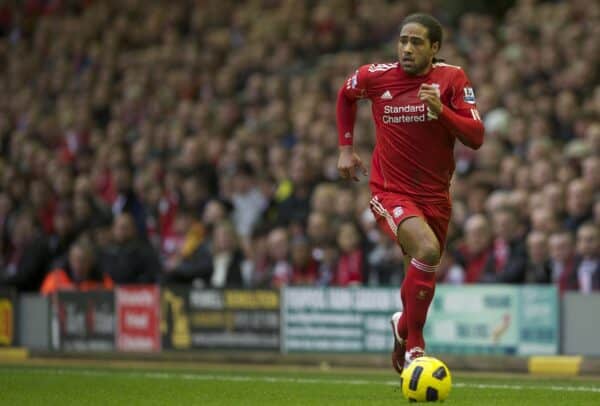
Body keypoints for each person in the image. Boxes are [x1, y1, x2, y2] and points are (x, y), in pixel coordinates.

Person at [336, 13, 484, 374]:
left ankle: (403, 329)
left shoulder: (451, 79)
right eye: (403, 40)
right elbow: (345, 95)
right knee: (428, 250)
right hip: (390, 190)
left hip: (435, 196)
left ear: (435, 48)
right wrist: (345, 148)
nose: (406, 48)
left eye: (416, 42)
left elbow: (476, 137)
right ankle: (416, 348)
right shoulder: (375, 75)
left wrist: (443, 112)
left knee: (420, 276)